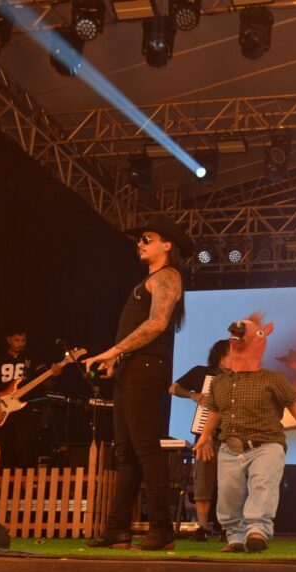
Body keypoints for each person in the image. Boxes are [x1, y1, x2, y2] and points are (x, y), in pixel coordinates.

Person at [84, 218, 191, 552]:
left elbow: (157, 323)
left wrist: (113, 350)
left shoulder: (167, 277)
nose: (140, 243)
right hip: (132, 368)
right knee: (126, 453)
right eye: (139, 239)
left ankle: (162, 529)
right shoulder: (148, 280)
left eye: (148, 238)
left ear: (167, 245)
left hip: (146, 368)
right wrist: (116, 358)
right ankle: (117, 530)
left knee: (145, 449)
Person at [192, 314, 296, 553]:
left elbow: (294, 402)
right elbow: (215, 411)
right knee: (228, 495)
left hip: (266, 445)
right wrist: (206, 436)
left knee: (262, 485)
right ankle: (235, 537)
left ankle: (257, 531)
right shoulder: (219, 383)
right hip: (230, 448)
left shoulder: (273, 379)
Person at [169, 338, 230, 541]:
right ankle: (202, 527)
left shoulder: (239, 377)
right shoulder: (201, 372)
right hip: (206, 437)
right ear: (221, 355)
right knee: (203, 482)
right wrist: (193, 395)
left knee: (229, 483)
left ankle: (227, 527)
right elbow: (173, 388)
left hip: (231, 437)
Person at [0, 330, 61, 470]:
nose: (21, 343)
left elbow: (48, 382)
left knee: (24, 448)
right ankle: (5, 481)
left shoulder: (33, 359)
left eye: (23, 340)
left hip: (25, 409)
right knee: (5, 450)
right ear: (9, 340)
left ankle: (25, 480)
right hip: (1, 410)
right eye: (17, 340)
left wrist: (55, 374)